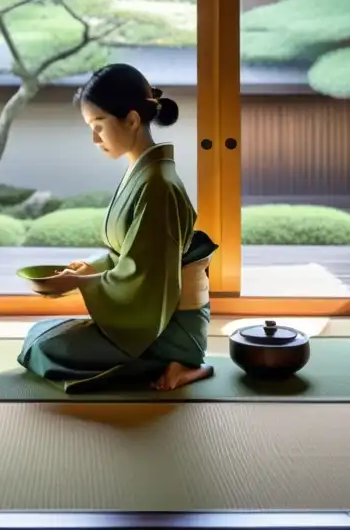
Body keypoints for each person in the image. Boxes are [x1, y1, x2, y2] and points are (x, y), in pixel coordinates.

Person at [17, 63, 217, 393]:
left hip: (167, 329)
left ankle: (179, 362)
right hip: (149, 315)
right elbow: (130, 255)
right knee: (39, 335)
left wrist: (81, 282)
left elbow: (148, 283)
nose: (94, 138)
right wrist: (90, 269)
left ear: (132, 120)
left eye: (99, 125)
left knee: (44, 347)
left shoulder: (158, 186)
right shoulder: (144, 173)